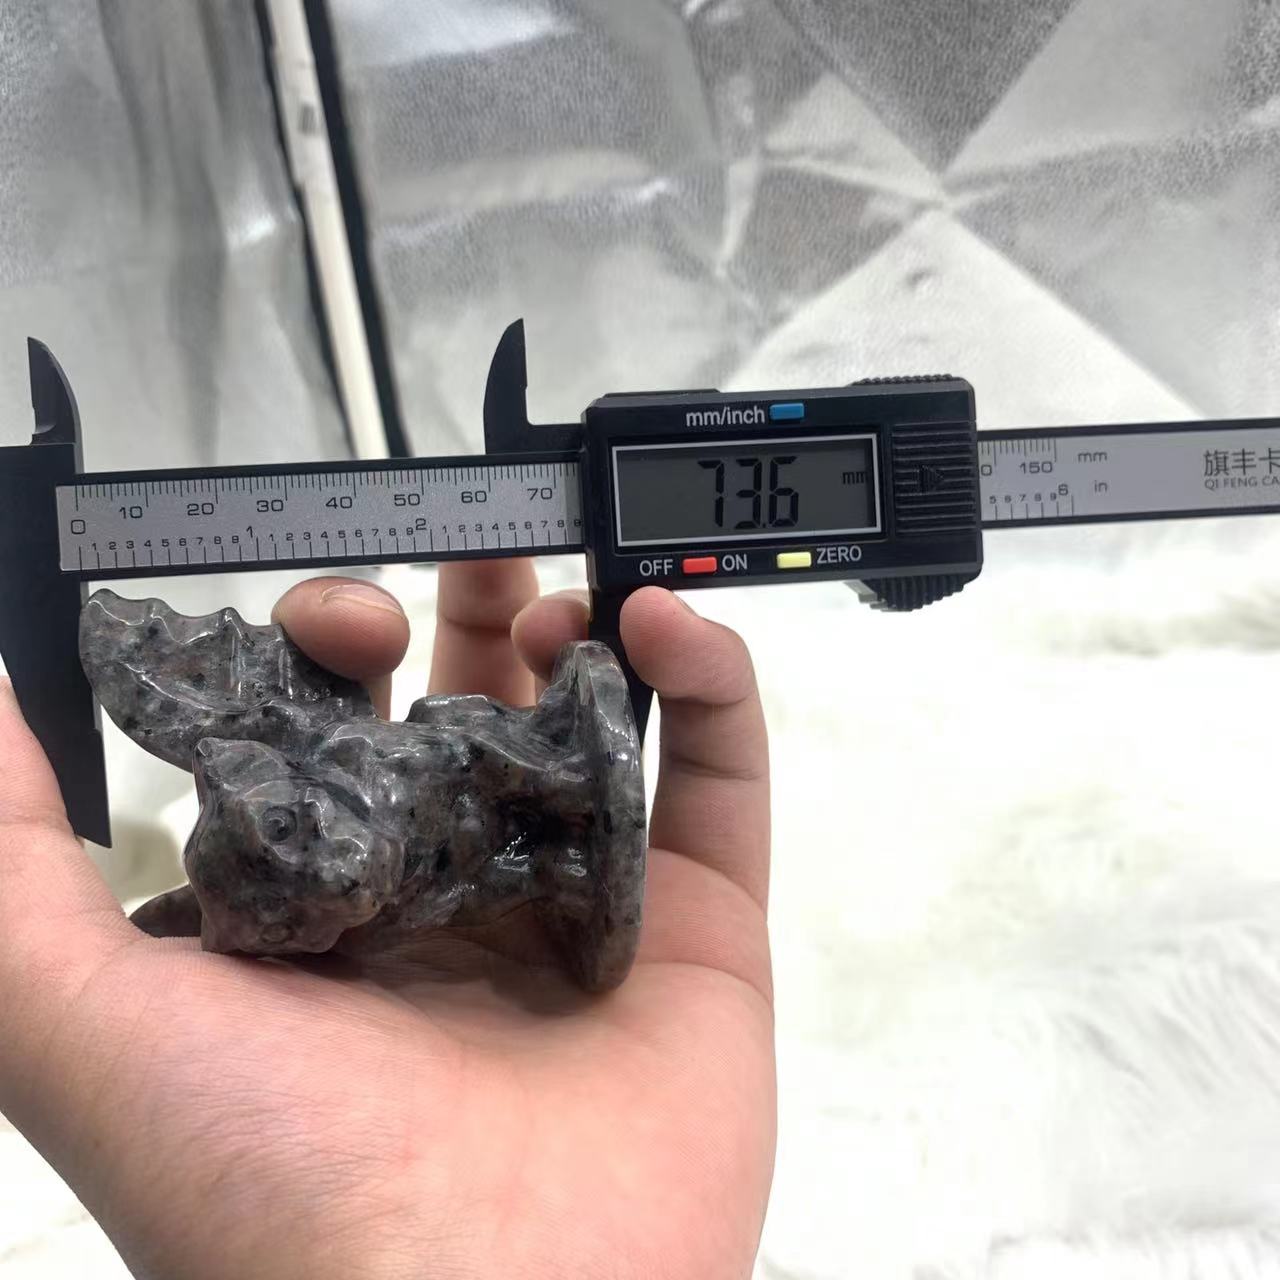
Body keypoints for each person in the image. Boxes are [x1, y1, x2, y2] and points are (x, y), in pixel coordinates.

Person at [0, 560, 775, 1279]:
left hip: (508, 762)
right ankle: (554, 865)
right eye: (289, 917)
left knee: (429, 707)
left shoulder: (345, 755)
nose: (326, 877)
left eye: (290, 830)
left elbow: (471, 753)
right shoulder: (359, 935)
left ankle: (560, 783)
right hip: (499, 878)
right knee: (480, 884)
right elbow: (458, 896)